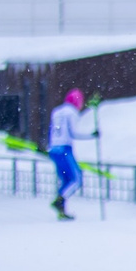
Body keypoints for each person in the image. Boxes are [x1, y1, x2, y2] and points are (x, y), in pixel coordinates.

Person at [47, 88, 86, 220]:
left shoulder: (57, 111)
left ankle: (61, 209)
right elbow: (75, 132)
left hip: (54, 148)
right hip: (65, 148)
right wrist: (92, 135)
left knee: (65, 179)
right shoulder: (72, 113)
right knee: (76, 179)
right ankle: (60, 200)